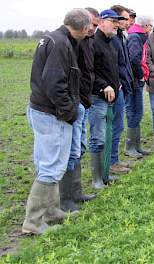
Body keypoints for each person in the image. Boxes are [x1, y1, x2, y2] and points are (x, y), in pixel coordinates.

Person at [22, 8, 90, 235]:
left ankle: (51, 211)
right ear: (81, 27)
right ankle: (33, 220)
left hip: (45, 111)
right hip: (51, 114)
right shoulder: (61, 44)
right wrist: (69, 111)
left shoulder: (56, 38)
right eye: (89, 27)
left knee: (53, 163)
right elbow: (54, 83)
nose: (90, 31)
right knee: (50, 166)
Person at [59, 7, 99, 213]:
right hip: (74, 103)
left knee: (78, 148)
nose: (92, 28)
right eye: (91, 24)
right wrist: (71, 107)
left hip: (83, 100)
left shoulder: (87, 41)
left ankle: (76, 192)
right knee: (70, 151)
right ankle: (65, 199)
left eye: (95, 24)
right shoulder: (69, 43)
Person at [89, 9, 123, 189]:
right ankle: (96, 179)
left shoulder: (112, 42)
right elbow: (89, 71)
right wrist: (104, 85)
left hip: (112, 96)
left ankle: (105, 175)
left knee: (108, 136)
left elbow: (112, 68)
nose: (116, 24)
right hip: (97, 97)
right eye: (112, 21)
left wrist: (117, 83)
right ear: (101, 22)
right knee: (98, 137)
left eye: (117, 21)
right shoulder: (93, 43)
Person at [126, 15, 154, 158]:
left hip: (136, 79)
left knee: (138, 112)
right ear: (146, 26)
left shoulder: (137, 36)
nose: (151, 29)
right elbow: (134, 59)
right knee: (134, 111)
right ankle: (130, 147)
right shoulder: (135, 37)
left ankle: (136, 146)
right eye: (151, 26)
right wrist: (140, 75)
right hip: (134, 80)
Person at [109, 5, 133, 175]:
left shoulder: (121, 37)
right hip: (115, 87)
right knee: (114, 126)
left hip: (122, 85)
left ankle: (114, 160)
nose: (128, 21)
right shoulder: (113, 39)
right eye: (125, 18)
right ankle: (111, 162)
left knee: (118, 126)